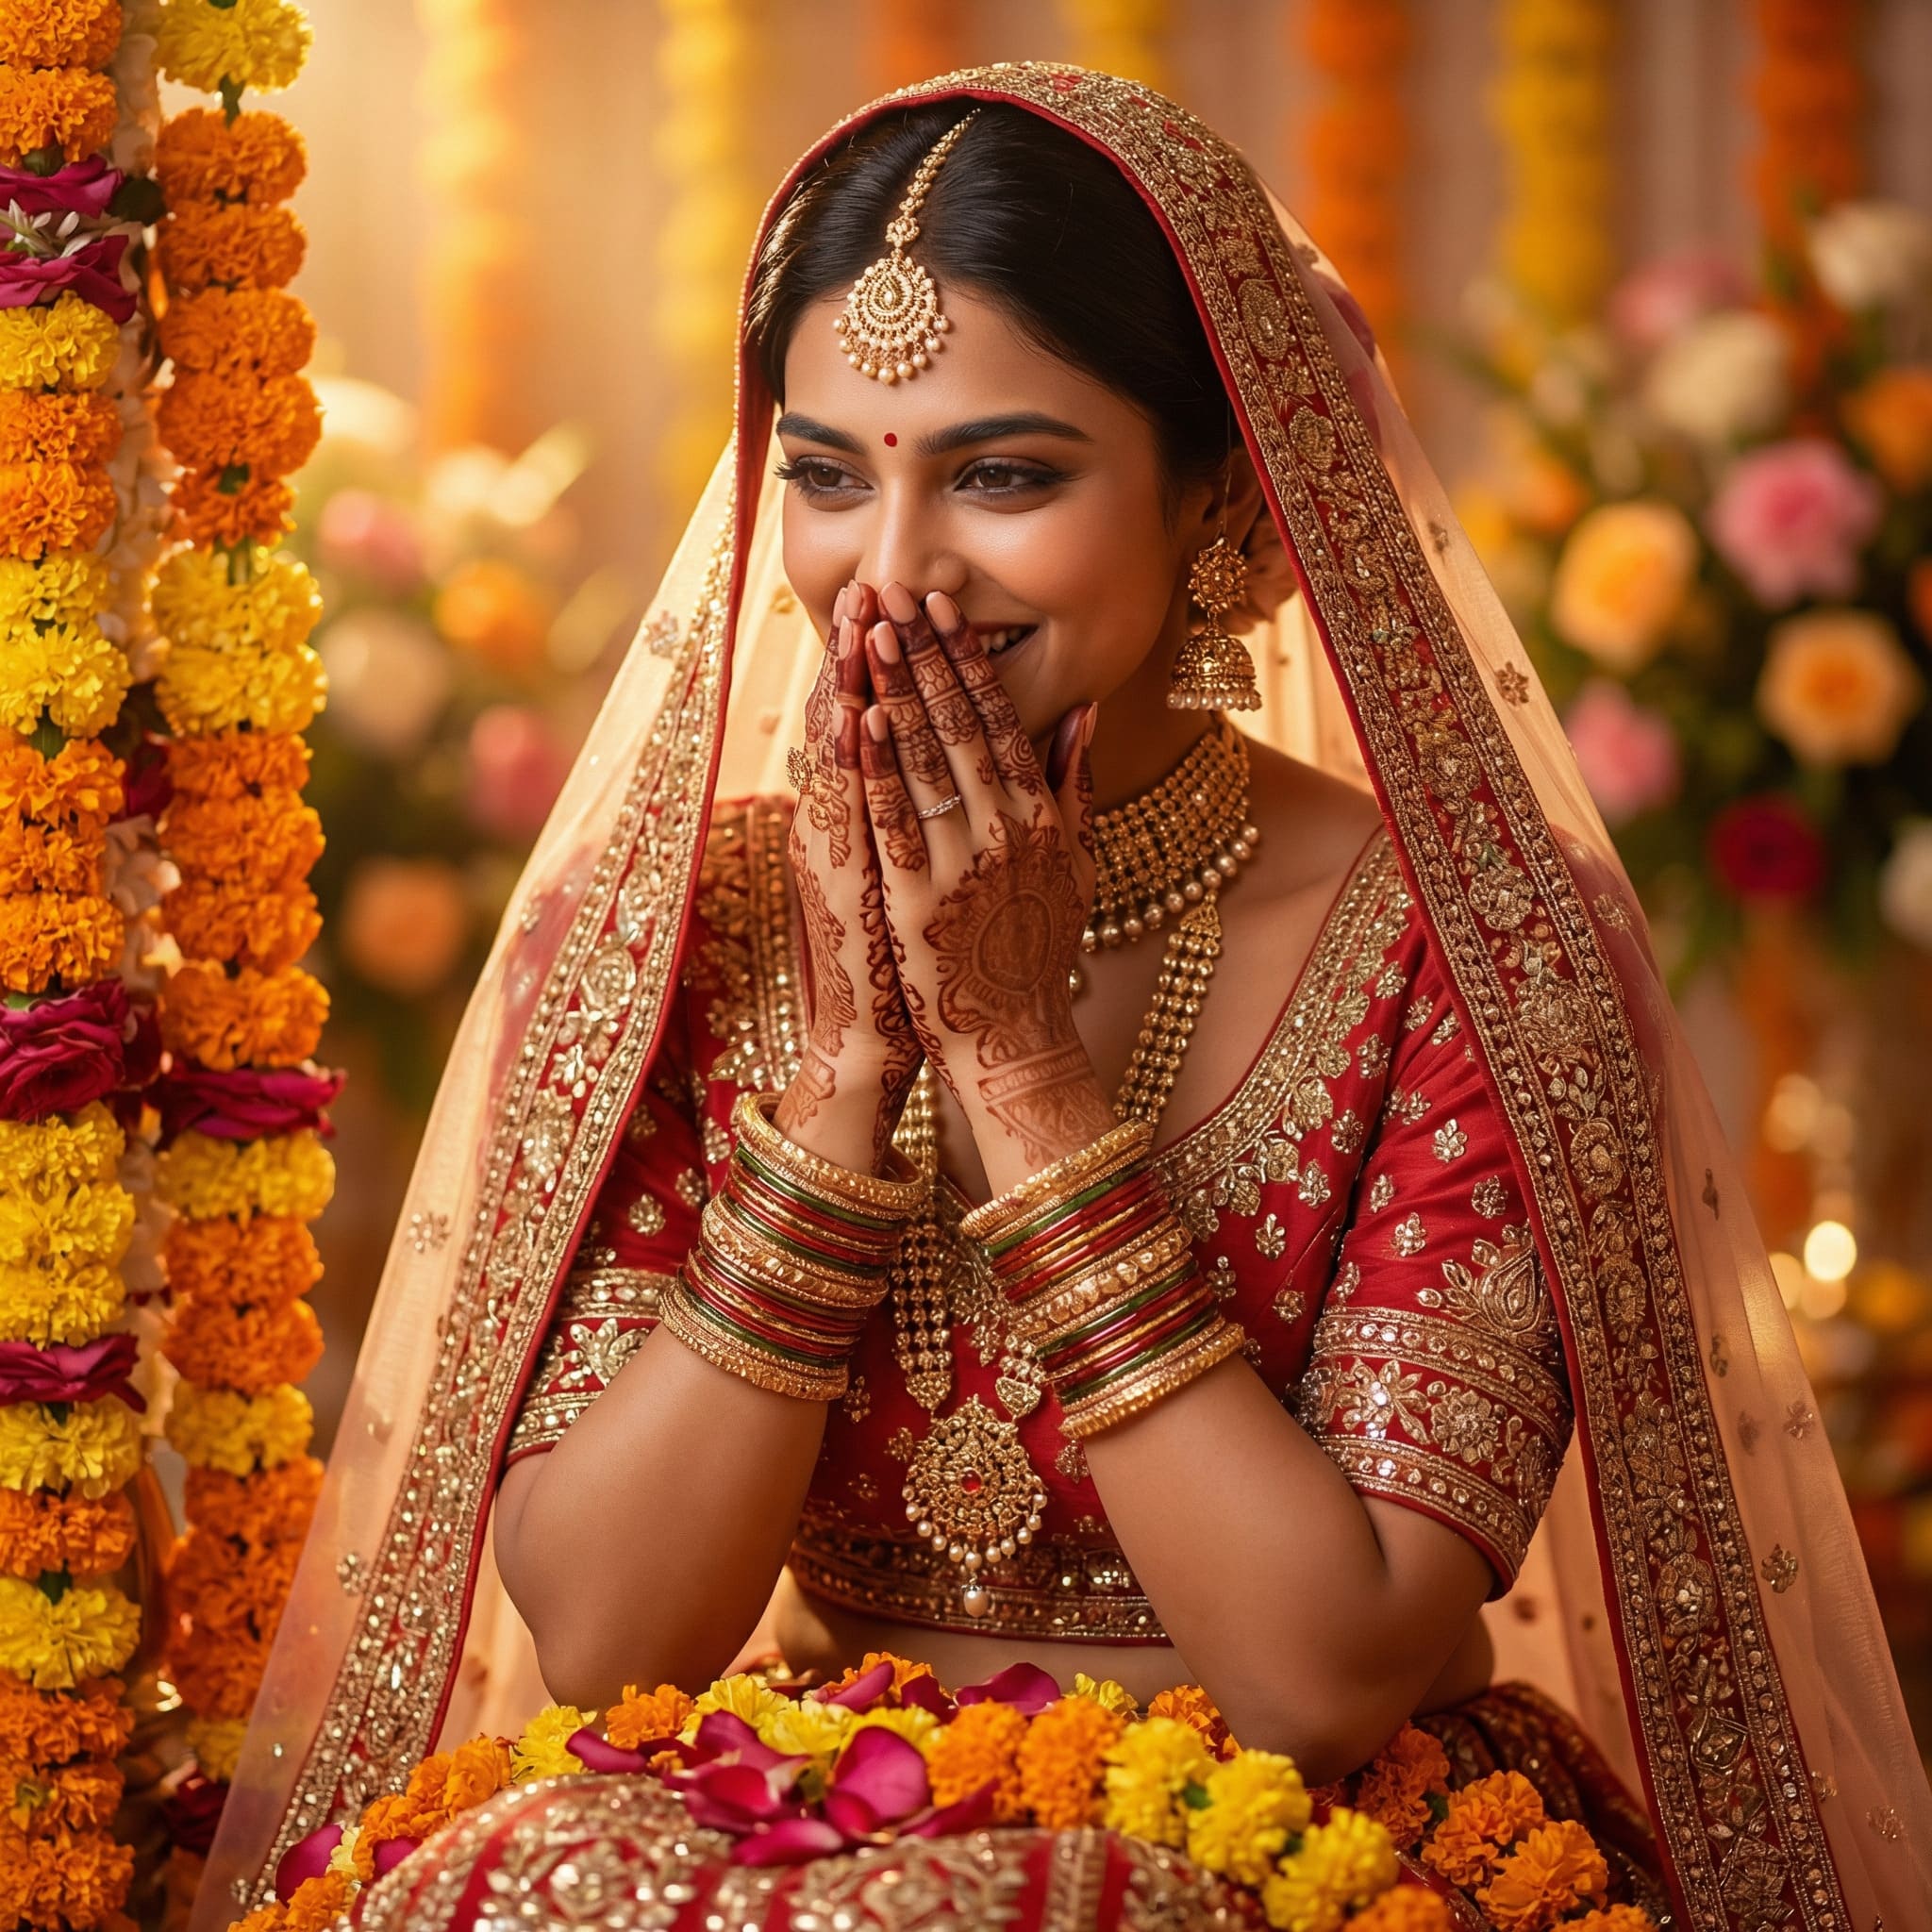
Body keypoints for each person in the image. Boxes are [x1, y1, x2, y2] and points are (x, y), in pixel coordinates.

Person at [190, 65, 1931, 1932]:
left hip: (1305, 1851)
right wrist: (854, 1061)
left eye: (1006, 473)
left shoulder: (1473, 947)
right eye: (831, 475)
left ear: (1221, 496)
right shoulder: (676, 937)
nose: (897, 574)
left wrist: (1017, 1063)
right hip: (790, 1829)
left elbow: (1322, 1673)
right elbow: (613, 1643)